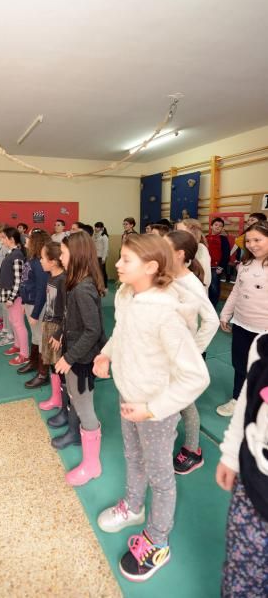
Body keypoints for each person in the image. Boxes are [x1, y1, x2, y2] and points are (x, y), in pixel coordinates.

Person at [93, 234, 210, 582]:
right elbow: (122, 332)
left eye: (125, 259)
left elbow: (195, 377)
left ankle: (157, 540)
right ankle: (132, 505)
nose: (117, 263)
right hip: (127, 396)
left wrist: (154, 408)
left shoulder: (166, 314)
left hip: (154, 408)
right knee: (133, 457)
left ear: (151, 267)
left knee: (161, 477)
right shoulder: (128, 295)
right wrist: (106, 354)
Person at [52, 232, 106, 487]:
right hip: (75, 353)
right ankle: (83, 431)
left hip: (82, 359)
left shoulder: (83, 288)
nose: (60, 257)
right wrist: (61, 335)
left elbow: (92, 330)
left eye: (63, 253)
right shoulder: (74, 282)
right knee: (76, 400)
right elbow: (70, 318)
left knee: (84, 407)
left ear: (77, 254)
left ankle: (92, 464)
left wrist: (69, 358)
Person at [216, 333, 268, 597]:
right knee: (240, 574)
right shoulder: (262, 348)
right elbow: (247, 406)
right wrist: (230, 454)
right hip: (252, 494)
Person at [165, 230, 219, 474]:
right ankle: (165, 439)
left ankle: (193, 450)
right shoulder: (167, 275)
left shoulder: (191, 283)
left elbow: (212, 321)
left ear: (179, 254)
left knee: (184, 402)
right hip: (164, 350)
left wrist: (194, 352)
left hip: (180, 353)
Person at [217, 220, 268, 417]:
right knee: (240, 364)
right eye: (248, 240)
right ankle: (237, 399)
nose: (252, 244)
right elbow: (236, 292)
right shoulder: (245, 264)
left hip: (264, 329)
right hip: (241, 324)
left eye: (258, 240)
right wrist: (225, 314)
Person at [18, 229, 50, 387]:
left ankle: (43, 374)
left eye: (29, 238)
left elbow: (42, 290)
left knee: (41, 338)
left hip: (38, 306)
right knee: (35, 337)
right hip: (30, 303)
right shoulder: (31, 259)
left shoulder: (39, 263)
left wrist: (35, 314)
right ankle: (34, 363)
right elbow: (26, 284)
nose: (26, 240)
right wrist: (24, 303)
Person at [38, 241, 67, 413]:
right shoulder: (52, 277)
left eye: (43, 258)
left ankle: (62, 401)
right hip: (49, 324)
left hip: (58, 328)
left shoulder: (63, 280)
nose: (40, 261)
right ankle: (56, 398)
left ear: (53, 261)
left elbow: (67, 310)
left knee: (58, 365)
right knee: (50, 363)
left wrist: (59, 332)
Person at [0, 227, 29, 367]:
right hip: (10, 295)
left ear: (11, 239)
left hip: (15, 297)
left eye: (3, 237)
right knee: (13, 321)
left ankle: (24, 354)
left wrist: (11, 297)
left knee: (18, 324)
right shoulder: (10, 253)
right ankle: (17, 345)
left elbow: (19, 280)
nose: (1, 240)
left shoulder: (17, 255)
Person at [175, 218, 211, 290]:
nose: (177, 234)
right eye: (177, 231)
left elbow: (206, 279)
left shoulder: (201, 249)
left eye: (181, 231)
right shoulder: (179, 248)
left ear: (193, 232)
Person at [206, 217, 230, 308]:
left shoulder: (223, 239)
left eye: (220, 226)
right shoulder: (205, 237)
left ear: (222, 228)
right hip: (205, 267)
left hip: (216, 268)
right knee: (206, 286)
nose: (217, 227)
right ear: (211, 226)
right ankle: (206, 304)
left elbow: (226, 254)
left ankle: (213, 305)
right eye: (216, 225)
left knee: (214, 287)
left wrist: (221, 267)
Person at [93, 221, 109, 290]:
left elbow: (106, 248)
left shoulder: (104, 236)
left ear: (102, 228)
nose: (96, 228)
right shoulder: (94, 235)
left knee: (102, 272)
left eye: (98, 227)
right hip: (95, 256)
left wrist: (103, 258)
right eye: (95, 227)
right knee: (96, 272)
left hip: (101, 257)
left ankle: (104, 286)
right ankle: (97, 285)